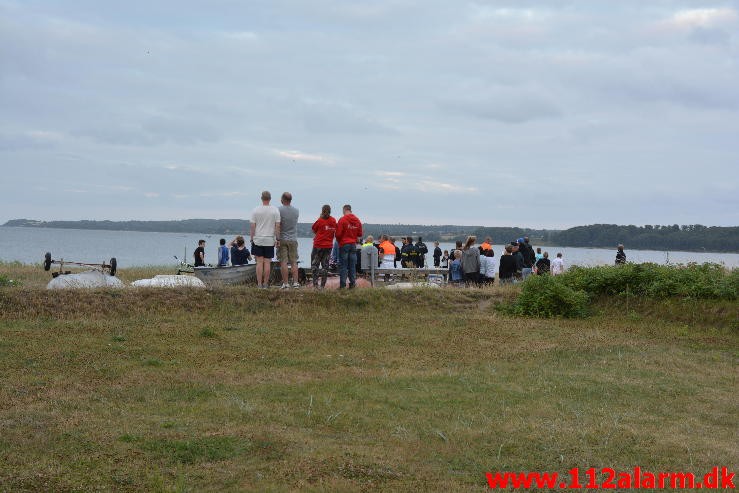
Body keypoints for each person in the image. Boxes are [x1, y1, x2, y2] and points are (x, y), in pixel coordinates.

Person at [250, 190, 281, 289]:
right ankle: (266, 284)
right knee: (267, 262)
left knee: (259, 263)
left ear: (261, 198)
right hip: (269, 240)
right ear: (270, 198)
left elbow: (252, 226)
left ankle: (259, 284)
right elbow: (277, 226)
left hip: (258, 239)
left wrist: (252, 238)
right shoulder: (275, 210)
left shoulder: (255, 210)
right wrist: (278, 239)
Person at [336, 204, 363, 289]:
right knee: (352, 266)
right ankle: (352, 284)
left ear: (344, 210)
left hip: (344, 244)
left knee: (343, 266)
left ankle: (343, 285)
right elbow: (360, 234)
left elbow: (338, 234)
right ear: (350, 210)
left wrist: (339, 241)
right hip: (353, 245)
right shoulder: (357, 220)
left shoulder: (342, 219)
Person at [311, 204, 337, 289]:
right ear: (330, 211)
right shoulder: (333, 220)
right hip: (328, 246)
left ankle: (315, 285)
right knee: (325, 266)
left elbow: (314, 229)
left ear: (322, 211)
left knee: (315, 265)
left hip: (318, 246)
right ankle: (322, 286)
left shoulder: (320, 220)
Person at [278, 192, 300, 289]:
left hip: (282, 238)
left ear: (282, 199)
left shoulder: (278, 210)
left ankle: (286, 283)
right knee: (294, 261)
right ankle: (295, 283)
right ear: (290, 200)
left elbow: (278, 225)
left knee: (283, 261)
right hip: (293, 239)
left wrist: (277, 238)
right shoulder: (296, 211)